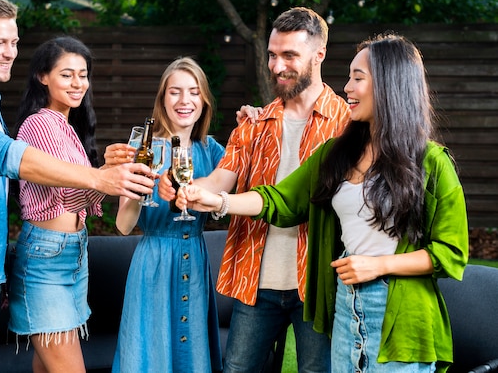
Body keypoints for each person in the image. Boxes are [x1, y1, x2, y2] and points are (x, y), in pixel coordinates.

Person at [180, 33, 469, 372]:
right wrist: (217, 200)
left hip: (400, 314)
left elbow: (451, 253)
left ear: (390, 85)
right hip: (346, 306)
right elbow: (280, 200)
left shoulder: (431, 162)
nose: (347, 87)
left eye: (358, 78)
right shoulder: (337, 154)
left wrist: (378, 266)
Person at [0, 0, 153, 373]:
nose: (10, 52)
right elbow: (13, 159)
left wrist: (104, 171)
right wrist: (100, 176)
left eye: (15, 42)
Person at [159, 6, 349, 372]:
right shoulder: (253, 124)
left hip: (320, 282)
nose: (277, 67)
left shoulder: (348, 126)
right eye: (273, 56)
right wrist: (184, 188)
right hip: (256, 281)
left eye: (289, 55)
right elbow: (218, 182)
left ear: (319, 54)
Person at [104, 57, 225, 372]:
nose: (185, 101)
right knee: (149, 354)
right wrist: (138, 191)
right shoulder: (141, 147)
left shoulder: (211, 150)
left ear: (204, 101)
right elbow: (123, 225)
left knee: (192, 357)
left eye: (194, 92)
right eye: (175, 92)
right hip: (154, 264)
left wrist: (254, 116)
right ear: (162, 99)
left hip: (196, 263)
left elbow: (230, 200)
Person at [6, 36, 104, 373]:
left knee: (47, 368)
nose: (78, 83)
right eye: (66, 74)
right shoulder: (39, 123)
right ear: (42, 76)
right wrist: (107, 177)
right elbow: (65, 186)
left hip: (73, 254)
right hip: (45, 259)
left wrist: (109, 173)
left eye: (83, 74)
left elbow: (82, 198)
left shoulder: (67, 127)